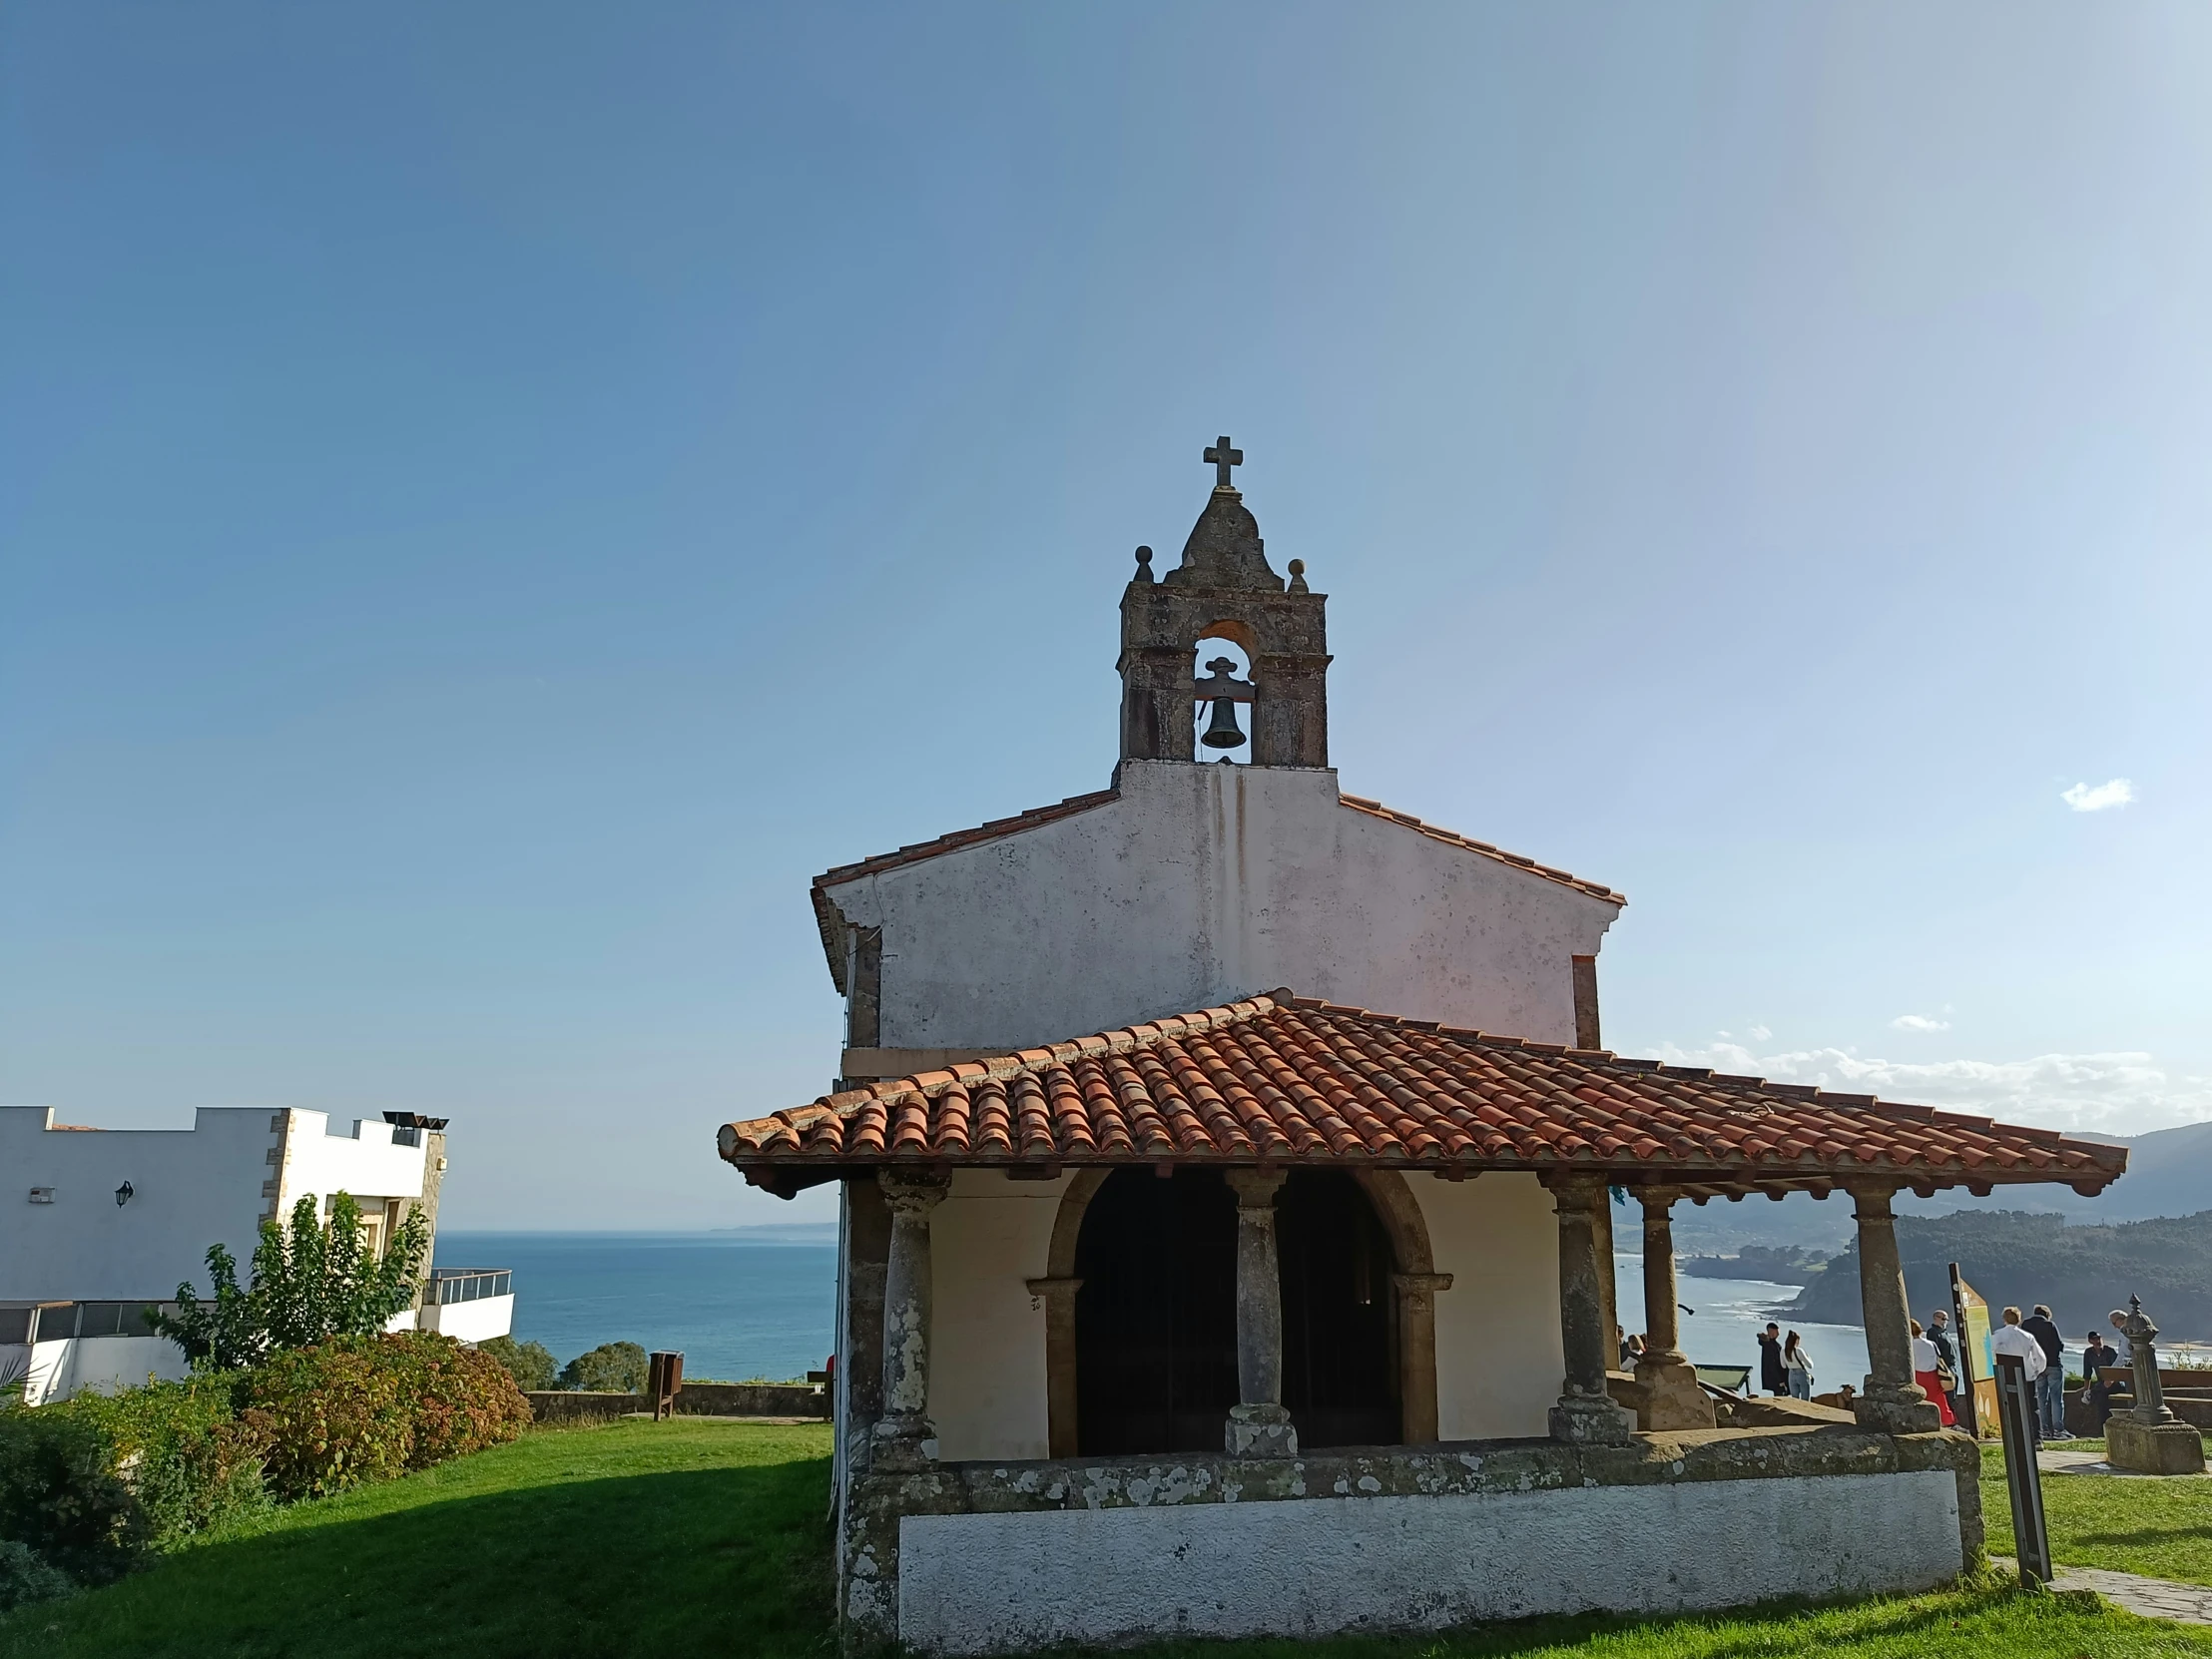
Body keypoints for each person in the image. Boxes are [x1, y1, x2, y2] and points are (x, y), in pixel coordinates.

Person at [1990, 1306, 2049, 1442]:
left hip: (2006, 1375)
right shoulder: (2028, 1336)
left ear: (2004, 1319)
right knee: (2032, 1407)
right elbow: (2040, 1358)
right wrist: (2036, 1371)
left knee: (2010, 1407)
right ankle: (2036, 1437)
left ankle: (2015, 1437)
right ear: (2019, 1319)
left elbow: (1989, 1350)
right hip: (2026, 1375)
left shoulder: (1999, 1335)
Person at [2020, 1303, 2071, 1439]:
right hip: (2053, 1365)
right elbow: (2059, 1345)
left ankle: (2044, 1429)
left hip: (2036, 1366)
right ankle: (2058, 1430)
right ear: (2047, 1315)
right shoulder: (2050, 1325)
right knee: (2056, 1399)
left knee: (2041, 1399)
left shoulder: (2026, 1325)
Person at [1909, 1320, 1955, 1426]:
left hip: (1917, 1375)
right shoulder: (1931, 1344)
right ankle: (1947, 1421)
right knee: (1938, 1399)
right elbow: (1937, 1358)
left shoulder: (1909, 1346)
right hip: (1932, 1375)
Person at [1928, 1310, 1965, 1428]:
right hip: (1945, 1368)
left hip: (1952, 1367)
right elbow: (1935, 1352)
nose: (1945, 1322)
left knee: (1952, 1394)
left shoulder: (1945, 1333)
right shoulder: (1933, 1332)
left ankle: (1952, 1420)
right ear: (1936, 1318)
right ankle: (1949, 1421)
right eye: (1943, 1319)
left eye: (1947, 1320)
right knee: (1948, 1394)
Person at [2081, 1329, 2120, 1433]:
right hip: (2101, 1384)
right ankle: (2102, 1427)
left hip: (2114, 1382)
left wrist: (2110, 1380)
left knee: (2101, 1394)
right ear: (2090, 1341)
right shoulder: (2089, 1353)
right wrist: (2086, 1390)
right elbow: (2087, 1372)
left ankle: (2104, 1427)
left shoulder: (2110, 1351)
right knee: (2099, 1396)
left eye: (2099, 1338)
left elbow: (2117, 1368)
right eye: (2095, 1339)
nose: (2098, 1341)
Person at [1782, 1331, 1816, 1400]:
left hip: (1791, 1374)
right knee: (1805, 1399)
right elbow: (1810, 1365)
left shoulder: (1783, 1351)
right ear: (1796, 1341)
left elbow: (1783, 1366)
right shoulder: (1799, 1350)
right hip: (1801, 1374)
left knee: (1794, 1399)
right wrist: (1808, 1357)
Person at [1758, 1323, 1787, 1397]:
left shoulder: (1774, 1344)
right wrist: (1779, 1379)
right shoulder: (1768, 1345)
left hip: (1776, 1375)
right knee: (1779, 1395)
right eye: (1776, 1332)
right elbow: (1771, 1363)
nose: (1778, 1334)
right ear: (1771, 1332)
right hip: (1775, 1376)